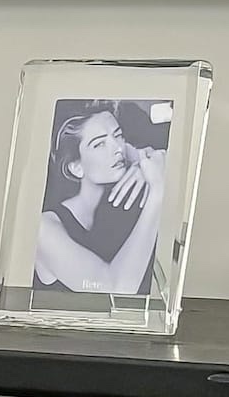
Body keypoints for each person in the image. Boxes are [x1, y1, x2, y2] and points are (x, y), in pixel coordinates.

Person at [35, 102, 167, 297]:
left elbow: (146, 154)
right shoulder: (44, 228)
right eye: (99, 144)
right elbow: (116, 288)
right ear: (76, 167)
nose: (117, 148)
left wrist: (157, 160)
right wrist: (158, 190)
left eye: (118, 135)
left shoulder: (119, 207)